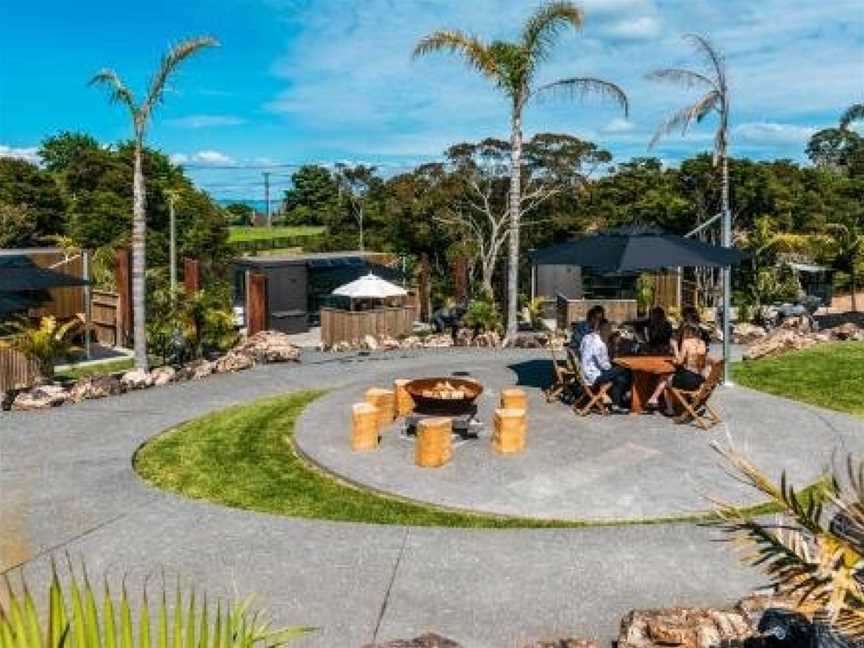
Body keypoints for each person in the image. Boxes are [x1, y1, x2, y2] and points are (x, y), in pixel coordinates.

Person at [647, 323, 708, 415]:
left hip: (689, 380)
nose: (682, 334)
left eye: (684, 332)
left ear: (688, 332)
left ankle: (663, 405)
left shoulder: (686, 342)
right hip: (699, 379)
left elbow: (679, 362)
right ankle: (654, 399)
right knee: (667, 379)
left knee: (664, 379)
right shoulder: (702, 343)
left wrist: (675, 347)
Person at [580, 318, 631, 410]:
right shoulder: (600, 345)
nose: (610, 332)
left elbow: (581, 350)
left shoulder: (586, 337)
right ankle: (620, 400)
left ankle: (618, 402)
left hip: (584, 373)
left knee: (619, 375)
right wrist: (615, 364)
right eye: (608, 330)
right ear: (602, 330)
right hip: (594, 377)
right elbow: (605, 366)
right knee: (624, 369)